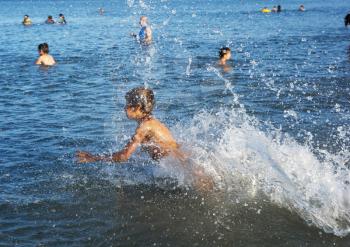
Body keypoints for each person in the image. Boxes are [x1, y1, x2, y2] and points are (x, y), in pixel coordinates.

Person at [76, 87, 214, 190]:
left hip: (185, 167)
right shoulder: (151, 121)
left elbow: (124, 156)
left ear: (137, 107)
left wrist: (94, 158)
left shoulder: (143, 127)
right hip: (185, 160)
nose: (124, 108)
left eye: (127, 104)